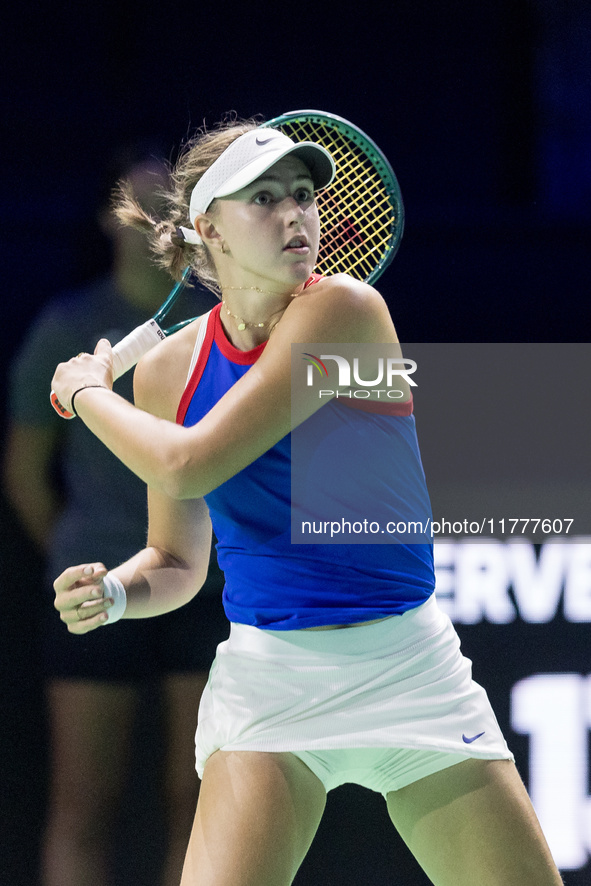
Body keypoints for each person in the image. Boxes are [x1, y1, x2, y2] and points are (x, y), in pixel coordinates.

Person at [50, 119, 564, 886]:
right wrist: (120, 592)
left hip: (407, 670)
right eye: (264, 198)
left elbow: (191, 464)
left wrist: (89, 392)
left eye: (303, 195)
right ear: (207, 229)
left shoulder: (346, 313)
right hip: (270, 684)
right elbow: (179, 560)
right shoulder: (166, 374)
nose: (296, 214)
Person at [3, 148, 228, 886]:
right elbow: (25, 470)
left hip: (202, 590)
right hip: (96, 581)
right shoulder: (66, 324)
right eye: (141, 203)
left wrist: (94, 393)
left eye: (170, 205)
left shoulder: (215, 332)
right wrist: (74, 559)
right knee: (83, 803)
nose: (155, 218)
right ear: (108, 218)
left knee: (193, 797)